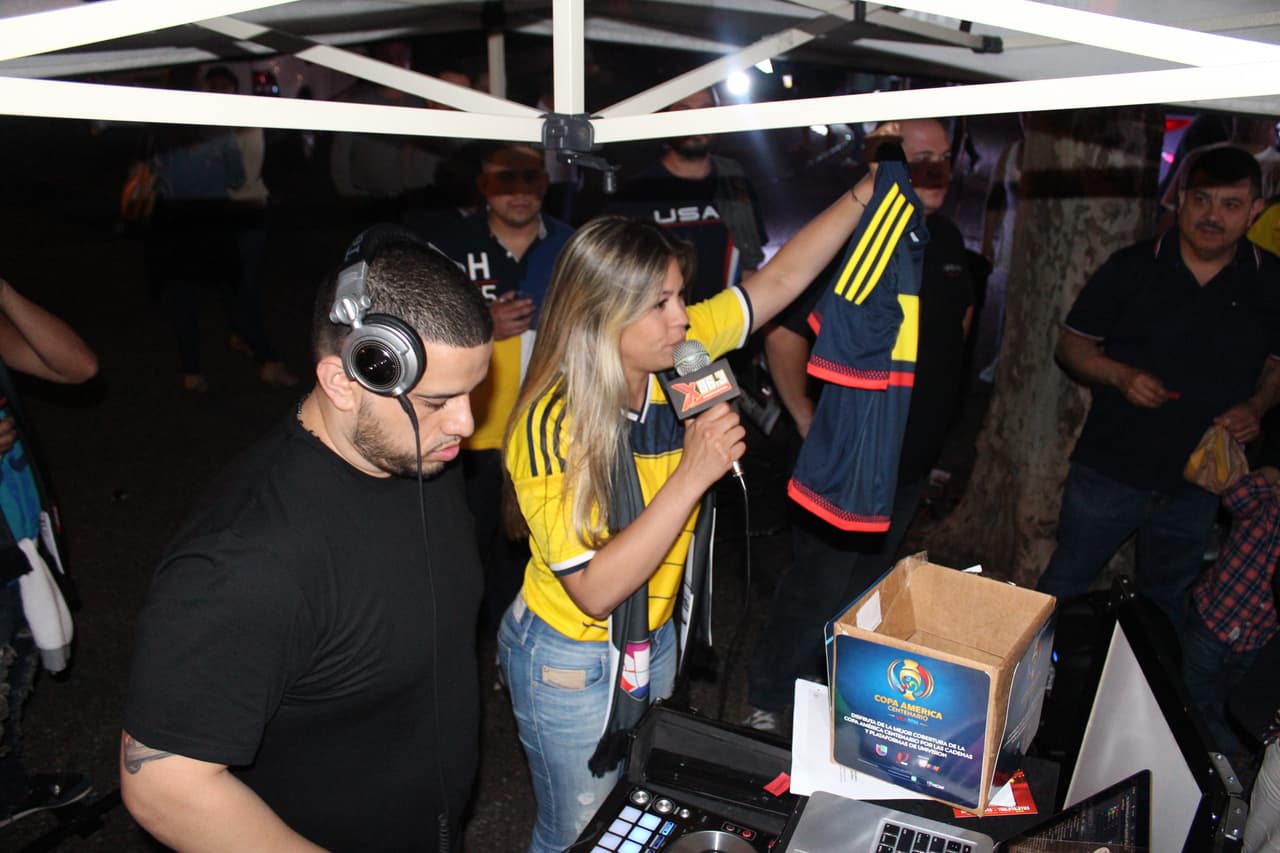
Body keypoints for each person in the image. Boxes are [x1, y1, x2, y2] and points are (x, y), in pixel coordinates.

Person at [497, 123, 899, 852]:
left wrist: (862, 194)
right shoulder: (549, 424)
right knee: (578, 830)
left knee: (633, 805)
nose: (684, 319)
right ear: (601, 314)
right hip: (573, 654)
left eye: (681, 297)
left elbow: (773, 285)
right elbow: (593, 588)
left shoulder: (666, 362)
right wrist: (692, 472)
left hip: (649, 636)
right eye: (661, 304)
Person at [119, 226, 494, 851]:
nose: (468, 423)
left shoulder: (422, 454)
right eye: (437, 401)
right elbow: (164, 785)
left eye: (472, 391)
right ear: (343, 380)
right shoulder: (244, 560)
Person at [743, 118, 975, 731]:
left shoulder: (946, 241)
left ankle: (830, 699)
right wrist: (803, 416)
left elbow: (955, 340)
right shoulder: (855, 235)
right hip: (847, 456)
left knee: (868, 589)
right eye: (920, 157)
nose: (935, 170)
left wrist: (939, 437)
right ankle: (770, 699)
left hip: (909, 462)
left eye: (944, 158)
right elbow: (784, 332)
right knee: (817, 584)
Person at [1037, 145, 1280, 635]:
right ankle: (1025, 692)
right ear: (1182, 198)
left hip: (1200, 477)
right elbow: (1072, 346)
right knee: (1065, 583)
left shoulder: (1270, 278)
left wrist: (1257, 405)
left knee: (1166, 600)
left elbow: (1277, 362)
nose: (1213, 216)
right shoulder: (1132, 266)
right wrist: (1120, 376)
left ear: (1256, 209)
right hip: (1112, 464)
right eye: (1202, 200)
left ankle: (1146, 704)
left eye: (1231, 205)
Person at [427, 142, 574, 631]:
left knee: (535, 551)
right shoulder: (447, 244)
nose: (518, 192)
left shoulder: (572, 247)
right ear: (483, 184)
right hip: (469, 434)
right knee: (463, 554)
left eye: (529, 178)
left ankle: (515, 655)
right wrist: (480, 320)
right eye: (503, 179)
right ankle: (465, 652)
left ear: (545, 183)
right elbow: (412, 322)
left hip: (549, 431)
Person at [0, 277, 97, 828]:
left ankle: (8, 788)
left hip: (14, 534)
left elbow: (77, 366)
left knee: (13, 668)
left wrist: (4, 291)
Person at [610, 88, 768, 301]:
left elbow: (750, 266)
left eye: (705, 110)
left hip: (727, 324)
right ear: (666, 119)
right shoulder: (638, 191)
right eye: (685, 111)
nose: (695, 121)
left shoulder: (734, 179)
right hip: (664, 326)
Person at [146, 66, 246, 392]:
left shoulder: (161, 131)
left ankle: (192, 370)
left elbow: (155, 175)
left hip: (176, 220)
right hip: (212, 216)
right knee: (230, 288)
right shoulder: (217, 128)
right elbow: (237, 177)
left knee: (183, 297)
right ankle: (252, 346)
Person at [203, 65, 299, 390]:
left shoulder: (243, 123)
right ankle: (248, 341)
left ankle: (265, 356)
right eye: (211, 88)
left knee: (244, 285)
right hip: (221, 215)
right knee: (232, 283)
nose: (217, 93)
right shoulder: (209, 124)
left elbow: (240, 176)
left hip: (246, 211)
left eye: (222, 87)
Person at [1182, 465, 1280, 758]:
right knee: (1192, 693)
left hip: (1258, 636)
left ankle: (1215, 754)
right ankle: (1185, 743)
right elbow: (1233, 498)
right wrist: (1269, 477)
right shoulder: (1266, 503)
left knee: (1230, 700)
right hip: (1214, 619)